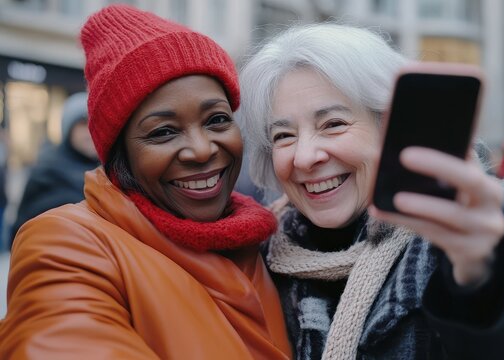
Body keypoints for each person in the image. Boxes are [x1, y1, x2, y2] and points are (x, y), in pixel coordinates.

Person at [0, 5, 291, 359]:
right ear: (120, 152)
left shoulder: (270, 244)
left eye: (216, 119)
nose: (201, 150)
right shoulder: (66, 244)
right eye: (163, 131)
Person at [237, 23, 504, 359]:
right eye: (283, 136)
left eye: (333, 124)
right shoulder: (257, 259)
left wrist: (488, 275)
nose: (305, 157)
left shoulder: (481, 218)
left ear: (389, 127)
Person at [9, 92, 100, 247]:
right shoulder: (47, 171)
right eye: (83, 124)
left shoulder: (110, 169)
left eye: (96, 124)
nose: (90, 132)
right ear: (68, 130)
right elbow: (25, 230)